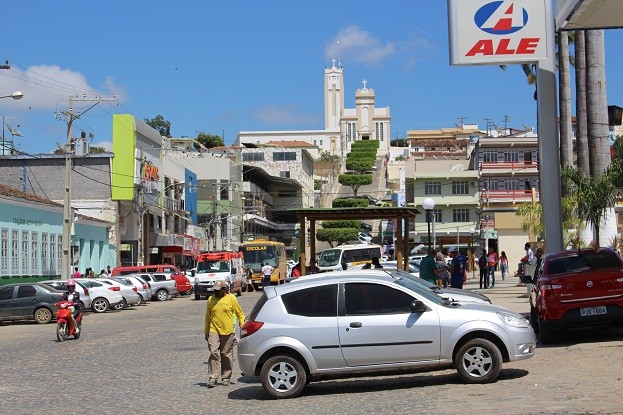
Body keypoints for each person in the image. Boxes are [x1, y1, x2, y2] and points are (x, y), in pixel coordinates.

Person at [204, 280, 245, 388]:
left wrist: (243, 325)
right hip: (214, 330)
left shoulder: (231, 299)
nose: (216, 292)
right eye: (214, 290)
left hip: (228, 331)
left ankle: (226, 377)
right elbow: (208, 317)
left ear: (224, 290)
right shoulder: (210, 300)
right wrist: (206, 331)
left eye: (218, 290)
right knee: (214, 352)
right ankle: (212, 377)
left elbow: (239, 313)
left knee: (225, 354)